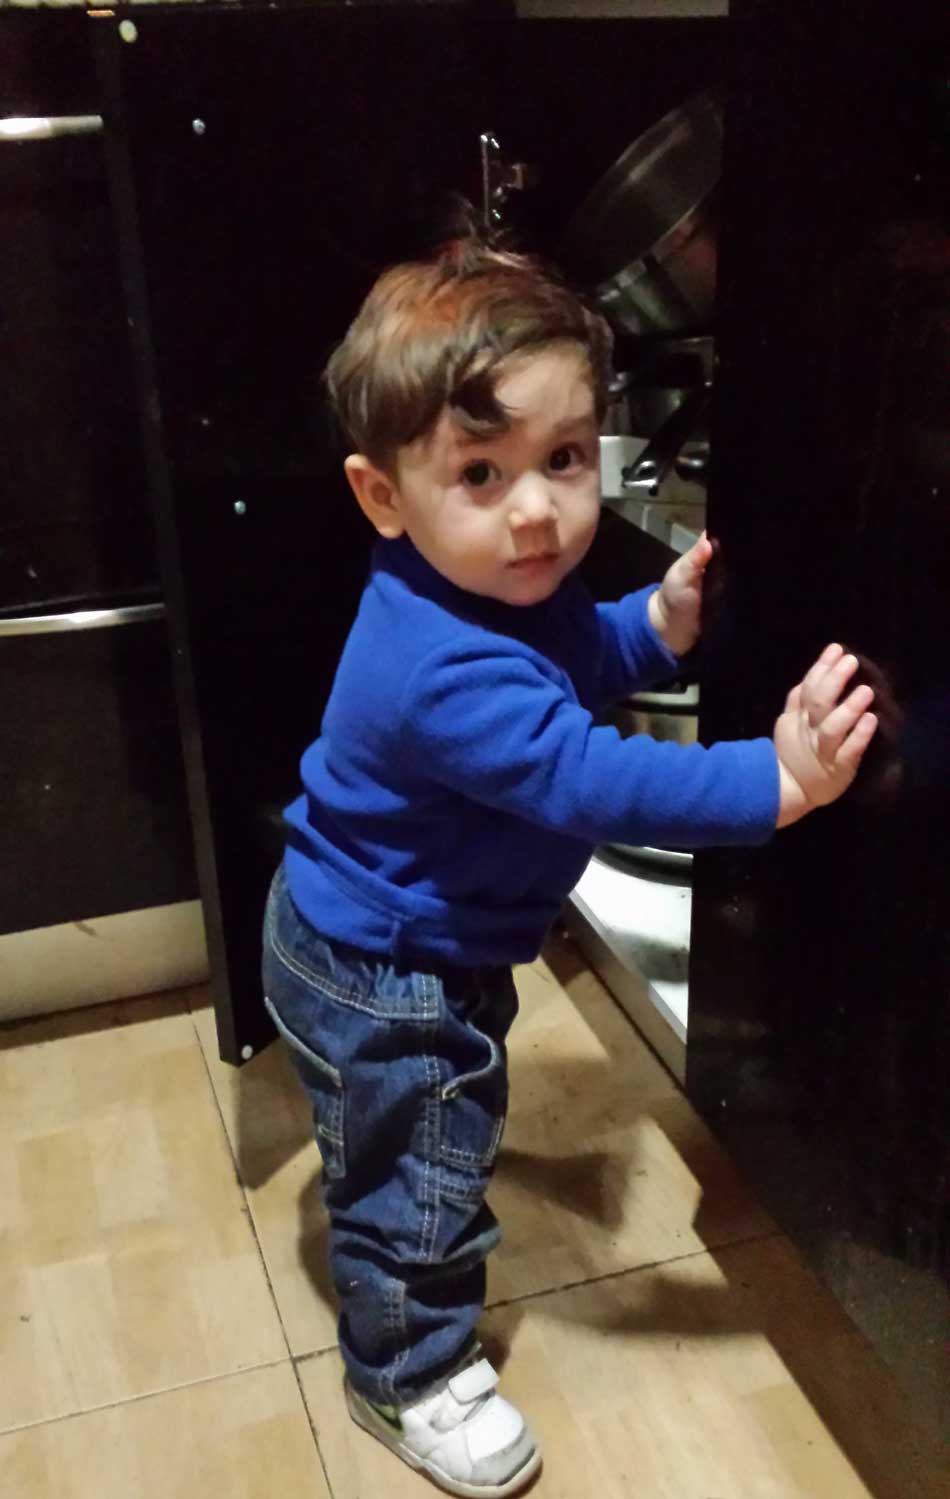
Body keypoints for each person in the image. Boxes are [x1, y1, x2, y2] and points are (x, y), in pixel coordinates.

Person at [261, 240, 877, 1498]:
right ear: (381, 495)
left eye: (562, 456)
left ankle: (379, 1192)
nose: (535, 510)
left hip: (397, 930)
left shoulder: (481, 578)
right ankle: (404, 1370)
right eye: (479, 473)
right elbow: (591, 773)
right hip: (384, 967)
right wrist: (776, 779)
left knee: (414, 1136)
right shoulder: (438, 666)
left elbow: (562, 652)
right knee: (422, 1173)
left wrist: (648, 625)